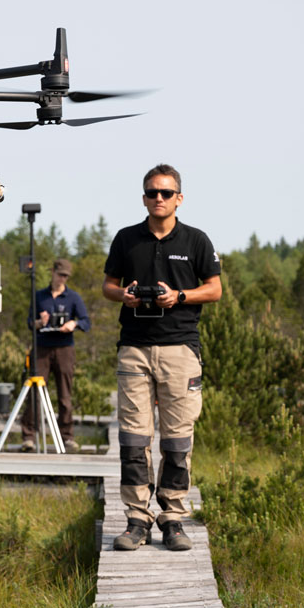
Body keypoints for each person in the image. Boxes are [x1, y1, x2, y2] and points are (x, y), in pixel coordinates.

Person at [102, 164, 222, 552]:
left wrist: (180, 296)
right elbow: (108, 286)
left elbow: (215, 289)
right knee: (134, 438)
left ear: (179, 198)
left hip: (180, 348)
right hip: (134, 346)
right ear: (143, 198)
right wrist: (125, 296)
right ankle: (137, 520)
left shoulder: (197, 240)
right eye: (152, 192)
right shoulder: (126, 239)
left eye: (166, 193)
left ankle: (173, 519)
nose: (159, 198)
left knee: (177, 439)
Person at [22, 258, 91, 452]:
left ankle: (67, 437)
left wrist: (73, 324)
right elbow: (29, 322)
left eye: (66, 276)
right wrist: (39, 323)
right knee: (34, 393)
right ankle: (29, 437)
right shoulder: (39, 296)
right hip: (42, 347)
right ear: (52, 272)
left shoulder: (73, 298)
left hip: (64, 349)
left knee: (64, 394)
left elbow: (86, 321)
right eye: (60, 274)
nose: (62, 279)